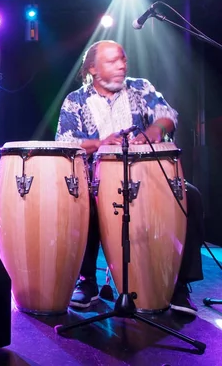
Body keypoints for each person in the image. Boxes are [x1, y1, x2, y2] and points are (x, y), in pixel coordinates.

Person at [56, 40, 204, 316]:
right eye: (113, 61)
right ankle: (87, 282)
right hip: (97, 180)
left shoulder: (140, 87)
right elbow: (65, 141)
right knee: (81, 201)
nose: (122, 65)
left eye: (123, 59)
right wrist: (101, 142)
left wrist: (152, 133)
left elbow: (167, 115)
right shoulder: (76, 100)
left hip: (148, 177)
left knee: (190, 196)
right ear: (93, 69)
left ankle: (178, 286)